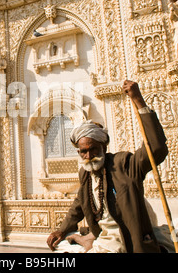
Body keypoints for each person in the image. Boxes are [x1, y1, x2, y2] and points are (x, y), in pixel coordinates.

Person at [46, 80, 169, 253]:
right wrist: (62, 229)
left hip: (129, 240)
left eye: (93, 149)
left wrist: (139, 100)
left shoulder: (124, 164)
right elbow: (80, 203)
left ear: (103, 147)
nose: (88, 156)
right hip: (104, 238)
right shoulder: (86, 173)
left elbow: (156, 149)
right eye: (83, 152)